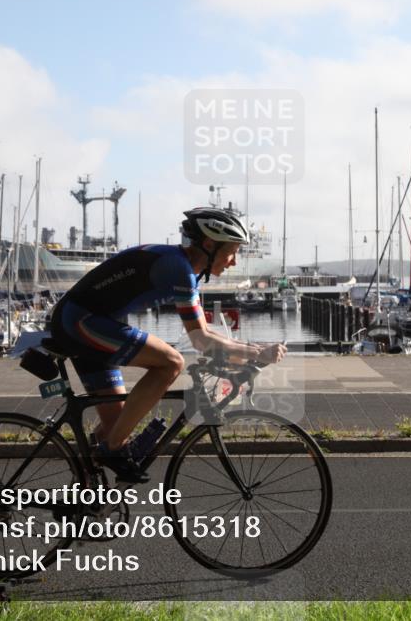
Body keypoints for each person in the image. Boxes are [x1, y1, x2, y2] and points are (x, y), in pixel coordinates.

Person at [47, 207, 287, 482]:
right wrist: (256, 352)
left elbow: (204, 331)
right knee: (171, 363)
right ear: (209, 245)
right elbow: (201, 341)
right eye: (231, 251)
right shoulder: (178, 269)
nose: (233, 261)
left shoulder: (184, 268)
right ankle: (111, 452)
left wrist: (249, 350)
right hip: (81, 323)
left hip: (87, 322)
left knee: (114, 429)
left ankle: (87, 498)